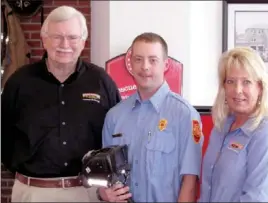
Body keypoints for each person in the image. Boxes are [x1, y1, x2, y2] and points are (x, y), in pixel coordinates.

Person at [1, 6, 121, 202]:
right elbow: (3, 136)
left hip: (86, 192)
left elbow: (117, 133)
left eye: (73, 37)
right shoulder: (19, 82)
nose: (65, 44)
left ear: (83, 41)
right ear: (44, 39)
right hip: (32, 192)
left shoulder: (101, 82)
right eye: (57, 37)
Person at [98, 32, 204, 202]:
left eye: (153, 60)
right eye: (138, 59)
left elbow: (190, 183)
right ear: (131, 64)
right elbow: (105, 176)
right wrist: (104, 193)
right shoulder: (114, 116)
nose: (145, 67)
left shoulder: (185, 115)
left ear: (166, 64)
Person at [199, 47, 268, 202]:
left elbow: (256, 198)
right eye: (231, 81)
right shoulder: (221, 126)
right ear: (224, 86)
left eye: (246, 82)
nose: (237, 90)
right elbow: (207, 189)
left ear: (259, 87)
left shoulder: (266, 133)